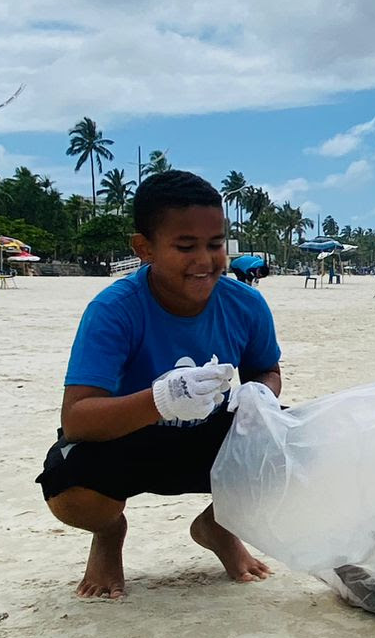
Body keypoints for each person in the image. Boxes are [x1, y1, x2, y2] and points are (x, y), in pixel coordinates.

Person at [35, 170, 282, 599]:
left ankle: (219, 527)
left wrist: (260, 393)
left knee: (295, 448)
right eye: (185, 247)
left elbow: (266, 368)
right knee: (69, 486)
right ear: (144, 248)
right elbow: (76, 419)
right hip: (127, 439)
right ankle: (109, 534)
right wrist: (164, 399)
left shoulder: (246, 304)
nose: (205, 260)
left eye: (215, 244)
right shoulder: (114, 310)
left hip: (210, 436)